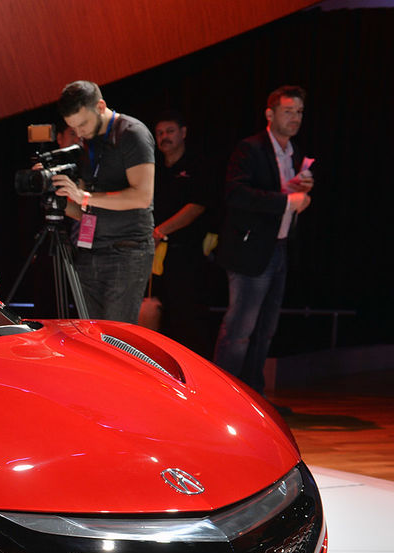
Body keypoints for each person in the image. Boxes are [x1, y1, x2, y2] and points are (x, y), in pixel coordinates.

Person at [213, 85, 313, 395]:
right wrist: (287, 201)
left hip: (279, 247)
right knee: (240, 330)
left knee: (265, 330)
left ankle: (254, 396)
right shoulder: (251, 148)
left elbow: (277, 192)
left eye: (299, 112)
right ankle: (221, 397)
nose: (295, 118)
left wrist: (299, 189)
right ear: (270, 114)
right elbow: (236, 193)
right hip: (250, 250)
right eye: (288, 111)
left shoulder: (293, 151)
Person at [51, 80, 155, 322]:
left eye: (83, 124)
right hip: (90, 248)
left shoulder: (131, 133)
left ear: (100, 106)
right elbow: (83, 211)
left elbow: (142, 196)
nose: (80, 133)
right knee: (90, 333)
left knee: (115, 335)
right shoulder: (88, 142)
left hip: (127, 250)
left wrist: (85, 196)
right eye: (73, 128)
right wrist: (56, 194)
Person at [151, 110, 212, 351]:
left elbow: (197, 206)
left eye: (170, 131)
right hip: (155, 255)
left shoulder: (197, 165)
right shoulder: (153, 168)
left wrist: (160, 231)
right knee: (155, 312)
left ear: (183, 133)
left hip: (186, 253)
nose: (164, 137)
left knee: (187, 318)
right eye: (159, 133)